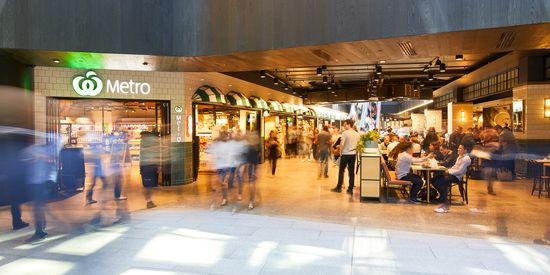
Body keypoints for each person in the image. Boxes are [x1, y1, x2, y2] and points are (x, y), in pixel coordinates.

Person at [22, 144, 57, 242]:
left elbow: (52, 166)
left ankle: (40, 231)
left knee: (38, 208)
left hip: (42, 184)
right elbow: (26, 162)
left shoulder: (46, 153)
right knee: (38, 208)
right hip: (34, 184)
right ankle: (41, 229)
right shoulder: (31, 151)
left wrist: (50, 181)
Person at [433, 145, 471, 213]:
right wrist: (448, 170)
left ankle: (445, 204)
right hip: (452, 174)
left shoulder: (466, 159)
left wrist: (449, 172)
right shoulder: (460, 157)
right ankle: (443, 197)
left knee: (442, 181)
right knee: (434, 179)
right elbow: (455, 167)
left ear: (465, 150)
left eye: (460, 148)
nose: (458, 149)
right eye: (458, 148)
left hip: (457, 177)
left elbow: (460, 171)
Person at [331, 119, 360, 194]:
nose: (344, 126)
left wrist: (340, 153)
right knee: (351, 172)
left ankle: (339, 187)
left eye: (345, 124)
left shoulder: (345, 133)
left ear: (349, 124)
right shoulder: (357, 134)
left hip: (345, 154)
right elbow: (358, 145)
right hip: (353, 155)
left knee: (341, 171)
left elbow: (342, 144)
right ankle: (350, 189)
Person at [244, 133, 260, 209]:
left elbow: (249, 161)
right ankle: (251, 201)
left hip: (251, 168)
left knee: (251, 185)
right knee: (252, 185)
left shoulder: (250, 148)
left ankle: (251, 201)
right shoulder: (255, 147)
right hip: (252, 168)